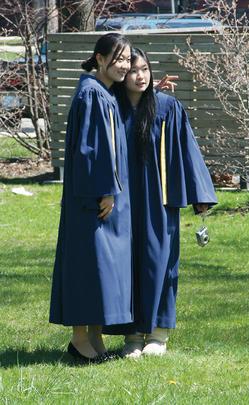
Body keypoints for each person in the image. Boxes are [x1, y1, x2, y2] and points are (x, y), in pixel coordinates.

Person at [104, 48, 218, 357]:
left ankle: (157, 333)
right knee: (125, 265)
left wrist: (200, 196)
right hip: (122, 201)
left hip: (159, 201)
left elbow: (187, 150)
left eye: (144, 69)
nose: (139, 76)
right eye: (132, 71)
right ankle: (130, 335)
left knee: (159, 263)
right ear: (121, 74)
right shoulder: (111, 106)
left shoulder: (168, 107)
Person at [49, 33, 133, 362]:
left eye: (127, 59)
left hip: (102, 198)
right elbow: (89, 152)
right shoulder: (91, 94)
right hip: (92, 200)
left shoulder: (104, 93)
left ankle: (95, 338)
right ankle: (79, 339)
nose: (124, 65)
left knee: (102, 269)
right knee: (88, 266)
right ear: (99, 58)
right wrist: (106, 191)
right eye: (119, 58)